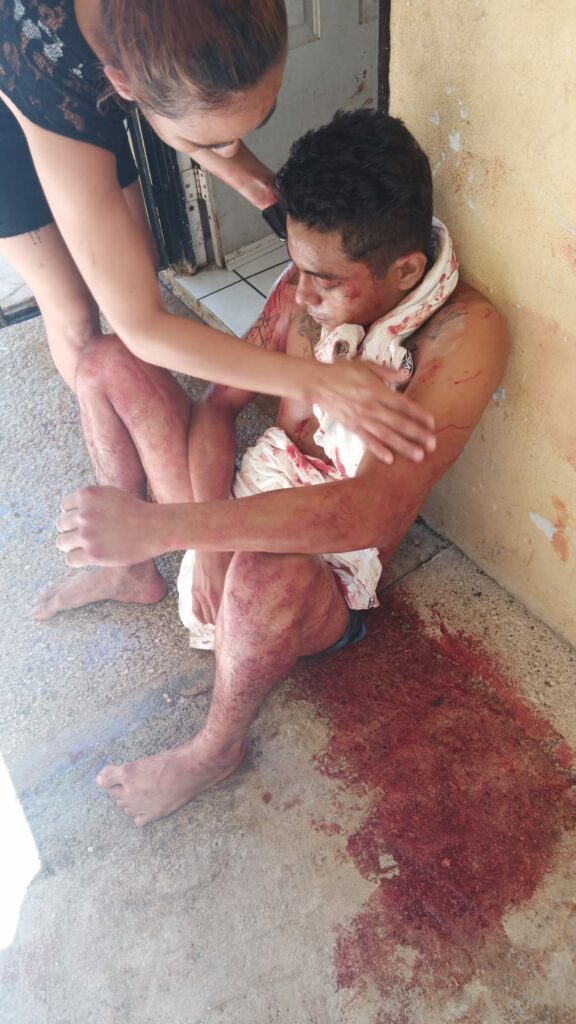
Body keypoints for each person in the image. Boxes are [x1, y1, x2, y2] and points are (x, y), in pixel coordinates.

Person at [52, 110, 509, 826]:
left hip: (320, 573)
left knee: (266, 574)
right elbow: (216, 407)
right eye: (296, 268)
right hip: (233, 507)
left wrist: (169, 527)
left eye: (324, 281)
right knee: (106, 360)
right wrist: (202, 548)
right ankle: (132, 573)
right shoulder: (306, 284)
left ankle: (215, 750)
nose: (299, 294)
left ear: (406, 272)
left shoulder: (463, 335)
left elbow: (373, 511)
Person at [0, 0, 436, 463]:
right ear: (125, 84)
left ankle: (152, 419)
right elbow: (142, 326)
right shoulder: (51, 84)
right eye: (210, 142)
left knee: (140, 264)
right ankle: (131, 472)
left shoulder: (191, 29)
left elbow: (191, 113)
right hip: (23, 98)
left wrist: (263, 188)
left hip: (115, 79)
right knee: (76, 311)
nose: (229, 152)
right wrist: (316, 381)